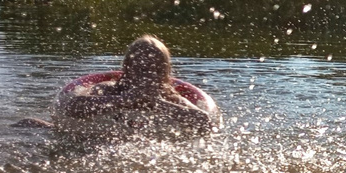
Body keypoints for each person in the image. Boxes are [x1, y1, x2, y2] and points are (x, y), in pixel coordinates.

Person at [18, 35, 217, 137]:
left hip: (142, 144)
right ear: (127, 70)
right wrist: (125, 100)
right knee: (28, 123)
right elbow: (73, 106)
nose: (146, 76)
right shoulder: (110, 88)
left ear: (165, 74)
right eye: (140, 69)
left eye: (154, 70)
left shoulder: (171, 98)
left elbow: (205, 122)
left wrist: (157, 105)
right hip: (93, 138)